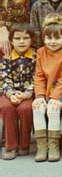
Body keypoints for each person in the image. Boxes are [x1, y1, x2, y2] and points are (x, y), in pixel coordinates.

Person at [32, 14, 62, 162]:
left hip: (60, 92)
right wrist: (39, 96)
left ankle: (53, 145)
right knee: (38, 107)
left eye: (57, 38)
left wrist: (54, 97)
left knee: (53, 109)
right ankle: (42, 146)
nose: (53, 42)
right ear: (44, 39)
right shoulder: (40, 52)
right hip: (44, 92)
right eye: (49, 38)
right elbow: (38, 76)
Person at [0, 23, 35, 160]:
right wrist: (11, 94)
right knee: (7, 107)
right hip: (8, 93)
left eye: (25, 38)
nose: (21, 42)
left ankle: (24, 144)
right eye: (17, 39)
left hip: (27, 94)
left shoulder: (36, 56)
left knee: (25, 108)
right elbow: (4, 78)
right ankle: (10, 145)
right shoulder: (6, 58)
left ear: (31, 40)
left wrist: (26, 94)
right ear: (11, 41)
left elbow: (37, 78)